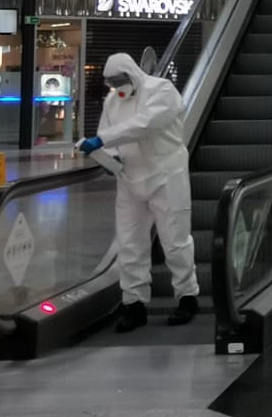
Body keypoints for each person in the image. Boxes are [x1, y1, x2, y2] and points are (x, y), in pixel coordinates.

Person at [79, 53, 198, 331]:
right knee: (130, 244)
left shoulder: (162, 91)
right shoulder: (112, 101)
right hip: (130, 179)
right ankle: (133, 304)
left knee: (175, 241)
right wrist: (106, 156)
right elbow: (106, 133)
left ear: (132, 73)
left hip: (167, 175)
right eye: (112, 82)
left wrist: (103, 140)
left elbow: (144, 124)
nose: (117, 86)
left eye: (120, 80)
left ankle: (187, 297)